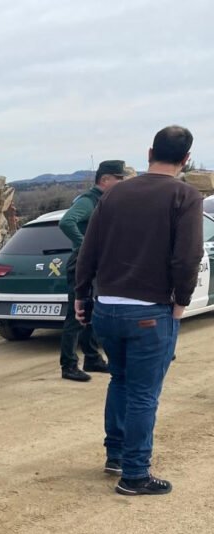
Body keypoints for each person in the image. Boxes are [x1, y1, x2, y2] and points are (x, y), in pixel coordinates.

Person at [75, 125, 203, 496]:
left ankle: (116, 456)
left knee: (120, 380)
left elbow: (89, 249)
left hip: (107, 309)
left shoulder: (114, 193)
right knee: (144, 394)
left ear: (149, 152)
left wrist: (82, 296)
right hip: (151, 311)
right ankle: (134, 474)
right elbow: (187, 257)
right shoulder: (185, 196)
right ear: (186, 159)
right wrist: (181, 302)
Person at [57, 160, 128, 382]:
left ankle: (92, 357)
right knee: (76, 316)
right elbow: (67, 222)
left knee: (92, 311)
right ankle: (68, 365)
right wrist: (86, 245)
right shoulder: (88, 201)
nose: (122, 182)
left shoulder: (104, 200)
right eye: (119, 179)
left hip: (95, 262)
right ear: (105, 179)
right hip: (81, 262)